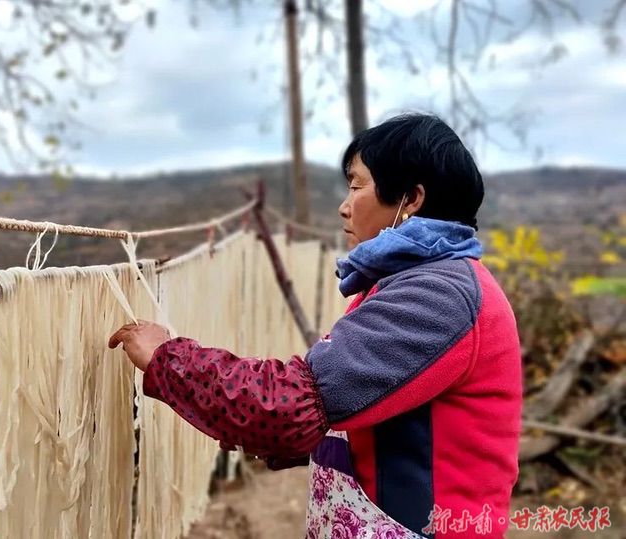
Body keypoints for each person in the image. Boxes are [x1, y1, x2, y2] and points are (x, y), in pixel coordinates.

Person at [108, 113, 522, 539]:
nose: (345, 205)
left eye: (358, 185)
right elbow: (389, 417)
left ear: (411, 199)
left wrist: (168, 358)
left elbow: (290, 404)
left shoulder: (437, 295)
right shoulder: (408, 281)